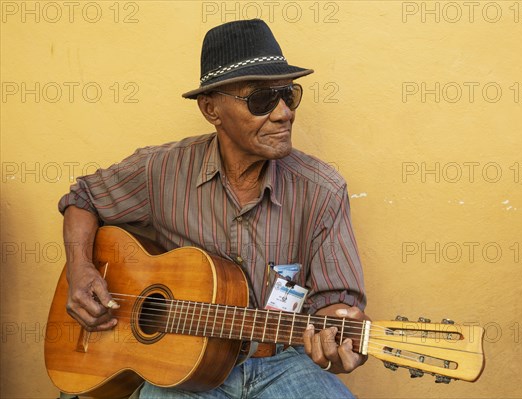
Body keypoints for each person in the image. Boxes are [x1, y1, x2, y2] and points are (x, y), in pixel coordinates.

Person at [59, 19, 368, 398]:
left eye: (288, 94)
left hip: (284, 363)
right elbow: (83, 198)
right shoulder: (160, 169)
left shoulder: (322, 190)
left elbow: (337, 309)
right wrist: (81, 270)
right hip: (180, 369)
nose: (284, 113)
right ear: (211, 109)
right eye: (261, 100)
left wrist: (340, 341)